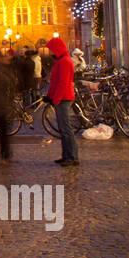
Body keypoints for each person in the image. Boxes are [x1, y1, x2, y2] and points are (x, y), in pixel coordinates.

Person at [45, 37, 78, 166]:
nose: (50, 52)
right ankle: (67, 155)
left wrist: (56, 99)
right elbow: (54, 82)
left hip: (64, 98)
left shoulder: (64, 62)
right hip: (62, 97)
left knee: (66, 129)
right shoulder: (61, 61)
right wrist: (49, 96)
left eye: (52, 49)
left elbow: (63, 83)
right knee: (63, 128)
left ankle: (72, 157)